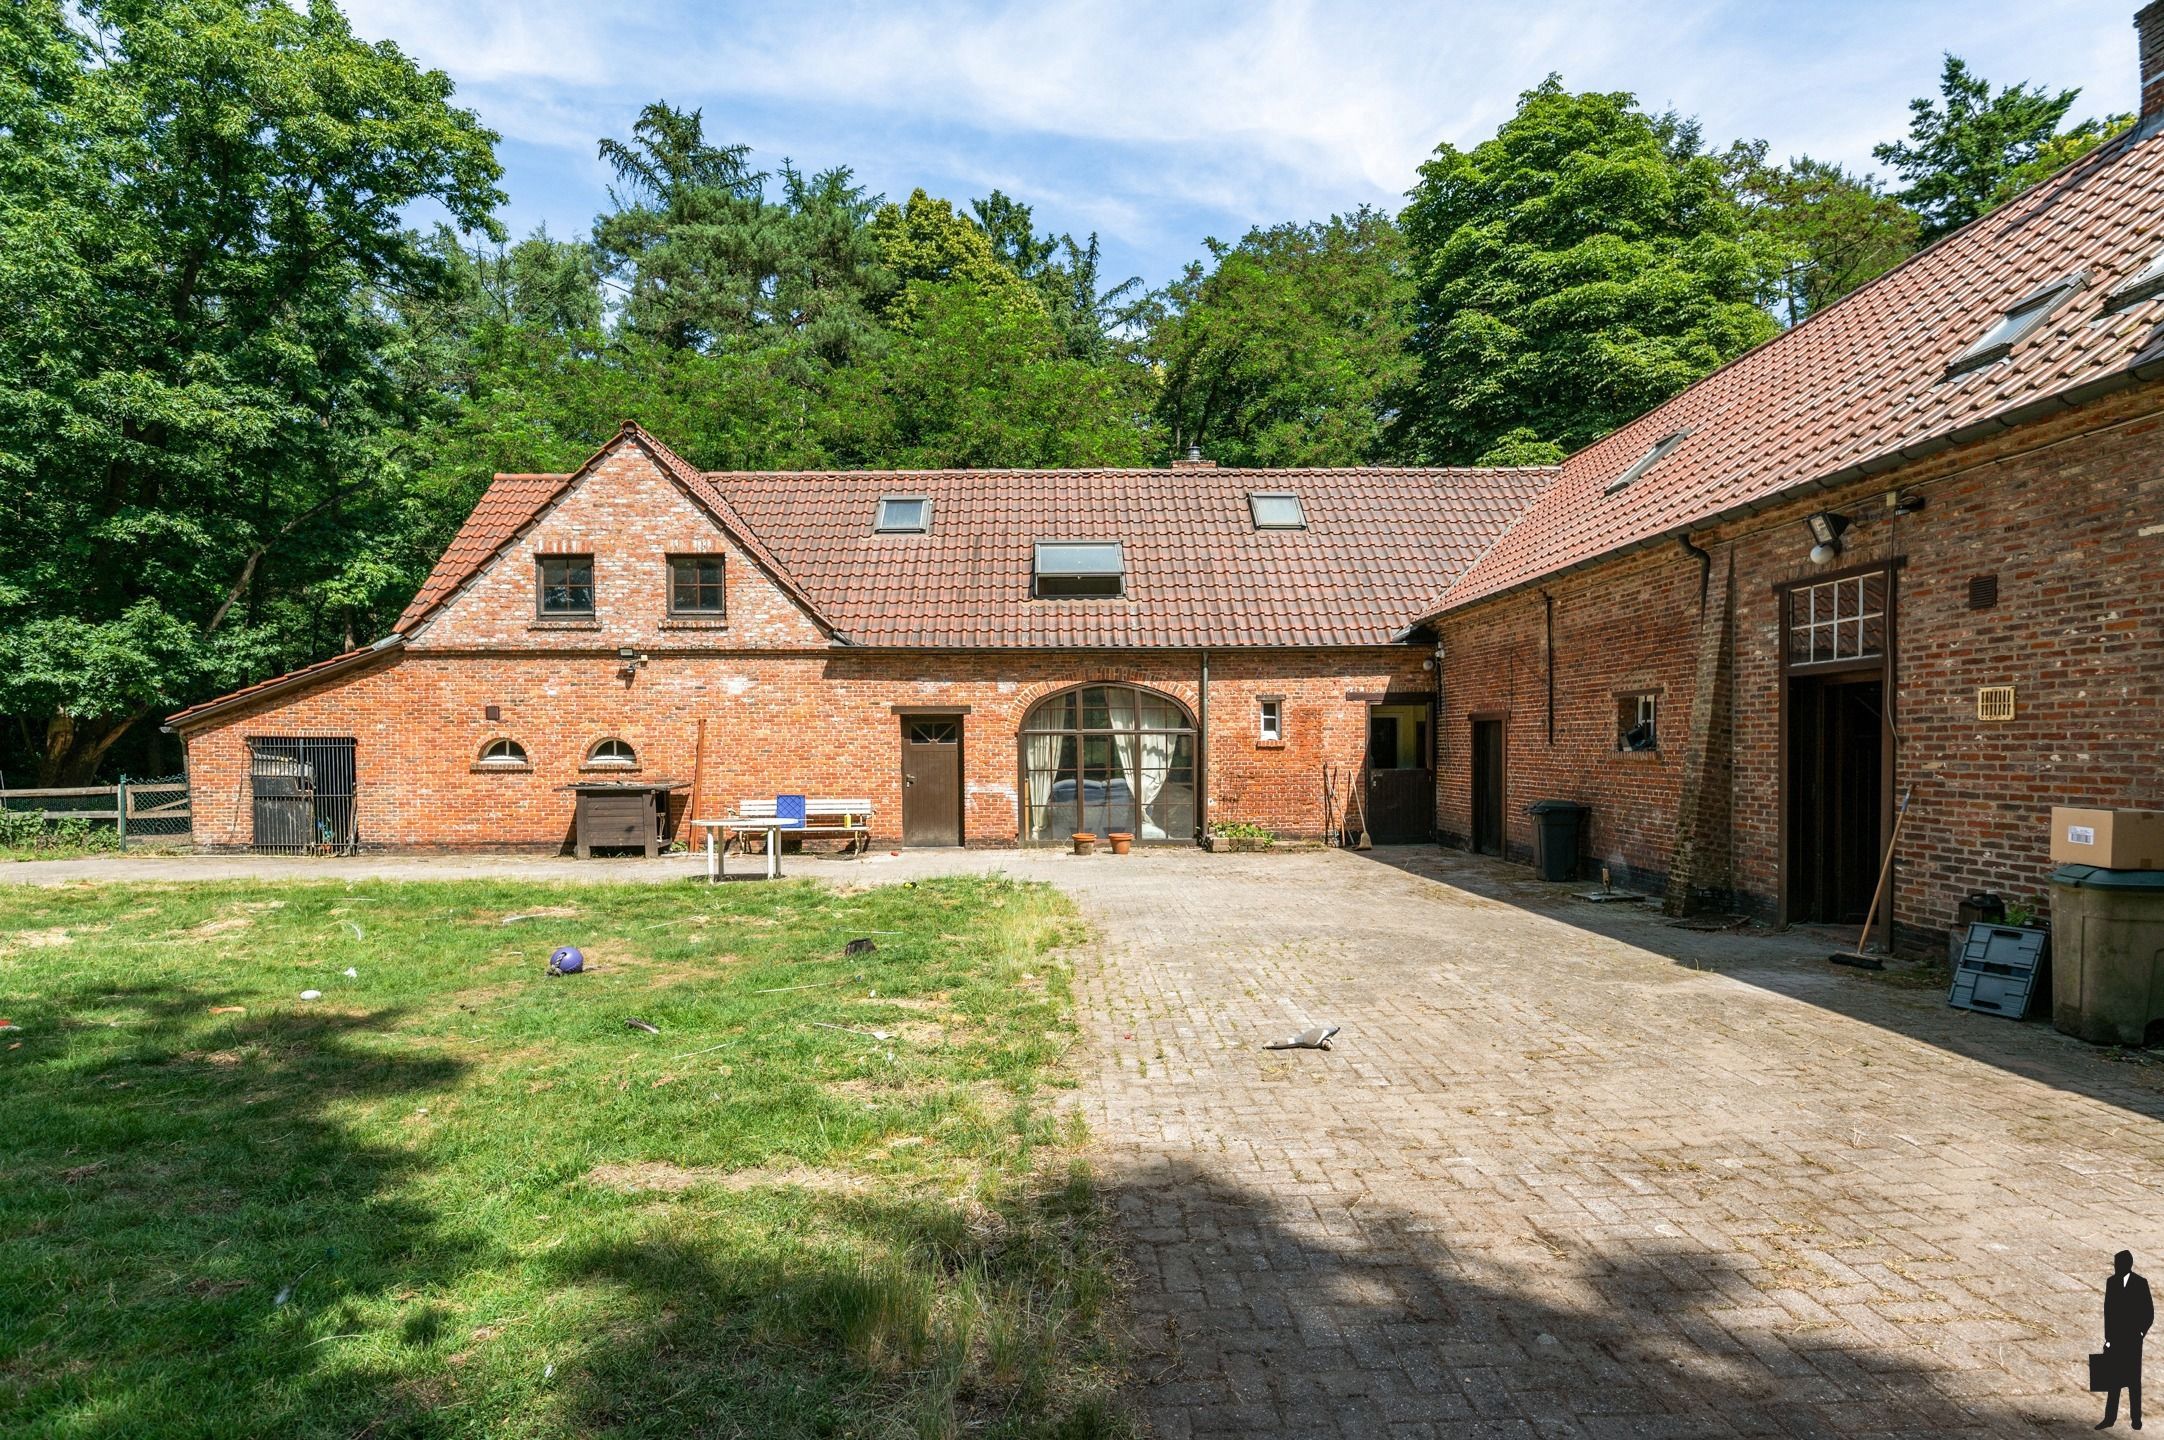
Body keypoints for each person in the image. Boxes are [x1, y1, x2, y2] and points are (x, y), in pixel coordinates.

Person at [2101, 1250, 2153, 1430]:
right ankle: (2109, 1418)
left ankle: (2136, 1419)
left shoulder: (2140, 1283)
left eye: (2118, 1264)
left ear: (2127, 1265)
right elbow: (2108, 1312)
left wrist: (2140, 1333)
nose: (2116, 1267)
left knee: (2133, 1382)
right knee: (2113, 1381)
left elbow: (2149, 1312)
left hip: (2132, 1341)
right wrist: (2108, 1338)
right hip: (2116, 1339)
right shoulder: (2111, 1282)